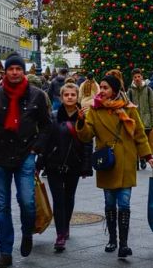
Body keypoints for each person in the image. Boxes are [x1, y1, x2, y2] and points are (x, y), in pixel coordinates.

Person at [0, 54, 52, 268]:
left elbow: (46, 126)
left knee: (27, 202)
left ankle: (27, 231)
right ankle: (5, 251)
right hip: (0, 155)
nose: (14, 72)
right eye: (11, 69)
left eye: (18, 68)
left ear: (23, 71)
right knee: (1, 206)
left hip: (25, 154)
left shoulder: (37, 95)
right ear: (5, 72)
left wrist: (36, 148)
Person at [75, 75, 153, 259]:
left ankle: (124, 244)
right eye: (100, 87)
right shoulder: (94, 110)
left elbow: (139, 134)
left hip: (126, 161)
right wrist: (80, 122)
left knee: (124, 204)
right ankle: (112, 239)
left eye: (105, 88)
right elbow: (86, 136)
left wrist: (148, 156)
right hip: (108, 162)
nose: (101, 91)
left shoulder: (129, 109)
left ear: (114, 90)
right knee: (110, 203)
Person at [38, 83, 92, 252]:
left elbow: (87, 142)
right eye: (66, 95)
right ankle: (60, 234)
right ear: (61, 98)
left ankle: (65, 225)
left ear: (78, 97)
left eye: (73, 95)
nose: (69, 97)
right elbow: (45, 141)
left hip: (74, 165)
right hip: (54, 163)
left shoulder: (83, 118)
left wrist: (86, 166)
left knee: (68, 198)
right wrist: (39, 165)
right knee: (58, 200)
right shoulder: (53, 117)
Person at [127, 68, 153, 170]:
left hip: (146, 121)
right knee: (134, 141)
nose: (137, 79)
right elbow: (128, 107)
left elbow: (152, 106)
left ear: (142, 77)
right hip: (134, 121)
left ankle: (143, 159)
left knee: (144, 141)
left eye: (139, 76)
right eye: (135, 77)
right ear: (133, 78)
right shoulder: (130, 91)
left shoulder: (148, 90)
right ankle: (136, 161)